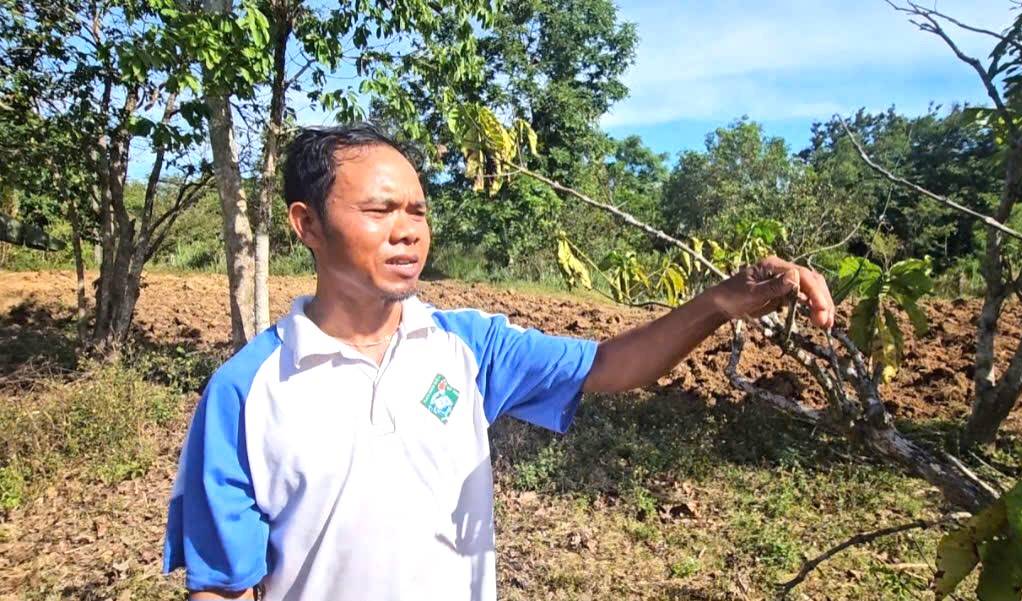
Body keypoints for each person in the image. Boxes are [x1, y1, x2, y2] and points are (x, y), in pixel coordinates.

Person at [163, 123, 835, 601]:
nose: (407, 230)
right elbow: (224, 583)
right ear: (305, 224)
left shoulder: (468, 347)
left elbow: (610, 364)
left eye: (418, 210)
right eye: (378, 210)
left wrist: (716, 302)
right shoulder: (248, 390)